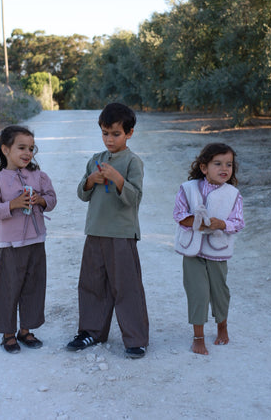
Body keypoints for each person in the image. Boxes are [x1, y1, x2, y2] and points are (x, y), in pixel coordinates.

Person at [67, 102, 149, 358]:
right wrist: (91, 180)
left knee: (127, 287)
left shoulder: (133, 162)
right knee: (91, 284)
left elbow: (134, 199)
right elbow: (82, 194)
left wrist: (117, 178)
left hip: (122, 234)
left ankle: (135, 339)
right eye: (105, 133)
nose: (109, 139)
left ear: (129, 133)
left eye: (116, 134)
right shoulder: (95, 160)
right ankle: (91, 331)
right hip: (95, 232)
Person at [0, 125, 57, 353]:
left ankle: (26, 329)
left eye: (31, 148)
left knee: (33, 286)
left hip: (36, 243)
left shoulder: (39, 177)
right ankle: (7, 333)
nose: (27, 153)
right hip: (11, 246)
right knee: (8, 288)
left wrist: (40, 201)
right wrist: (12, 205)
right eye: (21, 147)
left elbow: (52, 199)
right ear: (5, 149)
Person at [173, 142, 244, 355]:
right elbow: (178, 215)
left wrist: (221, 224)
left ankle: (222, 326)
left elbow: (238, 222)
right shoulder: (188, 189)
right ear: (204, 168)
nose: (224, 169)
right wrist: (198, 222)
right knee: (198, 293)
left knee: (219, 292)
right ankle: (198, 337)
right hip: (192, 251)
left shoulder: (233, 194)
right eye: (218, 164)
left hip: (217, 251)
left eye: (229, 164)